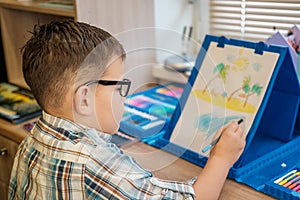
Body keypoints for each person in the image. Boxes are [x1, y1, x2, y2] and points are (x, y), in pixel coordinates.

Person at [9, 20, 246, 200]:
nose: (125, 96)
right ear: (84, 99)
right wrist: (222, 157)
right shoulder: (94, 164)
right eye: (118, 86)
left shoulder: (32, 140)